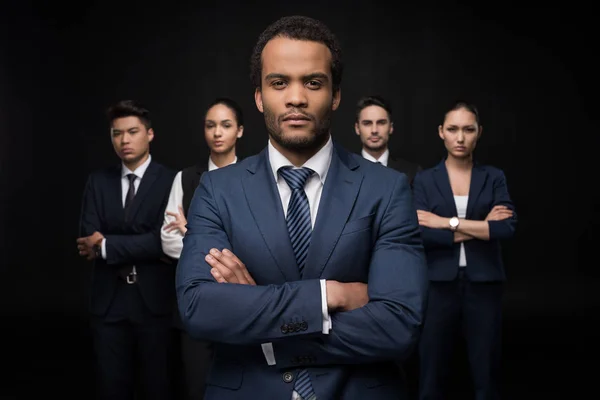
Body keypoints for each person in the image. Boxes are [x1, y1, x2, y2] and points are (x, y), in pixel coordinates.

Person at [176, 15, 428, 400]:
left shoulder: (388, 188)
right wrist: (328, 296)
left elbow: (398, 326)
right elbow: (199, 308)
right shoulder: (216, 189)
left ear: (336, 94)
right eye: (279, 83)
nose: (296, 97)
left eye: (313, 82)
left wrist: (263, 326)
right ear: (259, 97)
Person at [412, 101, 517, 399]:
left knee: (486, 370)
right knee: (431, 370)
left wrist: (446, 222)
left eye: (468, 130)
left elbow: (505, 228)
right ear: (441, 133)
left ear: (478, 133)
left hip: (484, 285)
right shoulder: (425, 179)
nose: (460, 137)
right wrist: (480, 228)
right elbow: (419, 235)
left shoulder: (494, 177)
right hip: (437, 286)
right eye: (453, 129)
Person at [76, 100, 177, 400]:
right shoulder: (98, 182)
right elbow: (86, 240)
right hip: (108, 302)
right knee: (112, 387)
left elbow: (164, 241)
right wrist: (141, 242)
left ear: (150, 134)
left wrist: (107, 244)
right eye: (116, 133)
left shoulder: (171, 180)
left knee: (158, 385)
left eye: (132, 132)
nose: (124, 140)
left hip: (154, 301)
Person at [161, 97, 244, 400]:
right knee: (195, 387)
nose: (217, 132)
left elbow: (257, 244)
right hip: (193, 303)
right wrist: (224, 249)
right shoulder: (184, 178)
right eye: (211, 125)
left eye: (225, 125)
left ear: (240, 131)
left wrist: (191, 233)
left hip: (240, 305)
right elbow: (167, 240)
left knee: (238, 386)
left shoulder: (253, 176)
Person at [355, 95, 421, 183]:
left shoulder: (412, 172)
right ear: (357, 128)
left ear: (390, 127)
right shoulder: (344, 171)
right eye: (367, 123)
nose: (374, 130)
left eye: (381, 123)